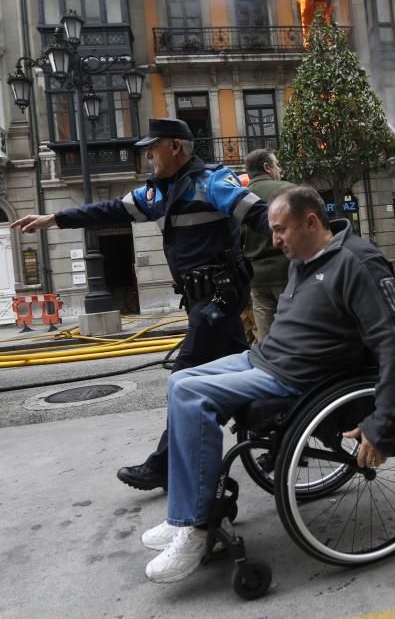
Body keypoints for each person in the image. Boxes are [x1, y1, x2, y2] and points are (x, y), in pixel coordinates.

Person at [140, 185, 395, 584]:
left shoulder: (359, 263)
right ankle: (184, 512)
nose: (274, 240)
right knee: (180, 380)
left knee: (191, 394)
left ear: (311, 221)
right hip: (264, 358)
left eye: (280, 230)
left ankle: (196, 527)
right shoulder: (302, 261)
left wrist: (385, 423)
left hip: (297, 378)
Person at [10, 118, 270, 490]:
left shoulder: (211, 182)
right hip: (203, 302)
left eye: (153, 147)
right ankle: (282, 428)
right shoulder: (158, 193)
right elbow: (109, 210)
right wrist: (55, 218)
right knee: (245, 376)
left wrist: (308, 248)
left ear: (175, 147)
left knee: (184, 382)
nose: (147, 154)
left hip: (218, 300)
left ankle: (164, 465)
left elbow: (261, 215)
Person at [242, 149, 294, 341]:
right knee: (293, 330)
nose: (279, 169)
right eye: (277, 164)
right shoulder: (287, 190)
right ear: (267, 167)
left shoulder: (238, 197)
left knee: (266, 337)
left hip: (256, 278)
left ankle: (269, 369)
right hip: (287, 272)